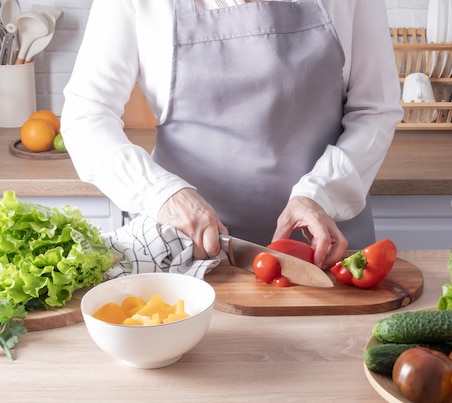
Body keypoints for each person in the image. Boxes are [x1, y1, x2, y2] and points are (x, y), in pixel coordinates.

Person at [61, 0, 402, 271]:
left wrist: (321, 194)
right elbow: (87, 114)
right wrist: (163, 194)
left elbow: (376, 109)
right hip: (186, 253)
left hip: (324, 248)